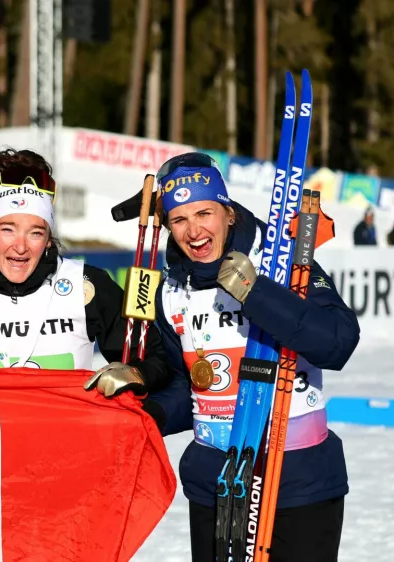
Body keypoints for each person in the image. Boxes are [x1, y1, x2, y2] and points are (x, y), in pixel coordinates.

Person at [143, 153, 360, 562]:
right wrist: (147, 410)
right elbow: (187, 389)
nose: (194, 231)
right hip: (218, 486)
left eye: (204, 213)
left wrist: (256, 293)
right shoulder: (170, 291)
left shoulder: (283, 263)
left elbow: (338, 342)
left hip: (297, 485)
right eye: (179, 220)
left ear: (228, 213)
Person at [0, 148, 171, 399]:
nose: (20, 247)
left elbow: (154, 357)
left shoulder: (86, 286)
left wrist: (137, 374)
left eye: (35, 233)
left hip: (68, 437)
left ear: (48, 241)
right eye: (8, 230)